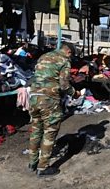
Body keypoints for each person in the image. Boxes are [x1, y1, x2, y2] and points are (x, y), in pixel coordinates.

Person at [28, 42, 75, 177]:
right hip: (49, 100)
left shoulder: (44, 56)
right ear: (69, 52)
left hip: (34, 98)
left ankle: (32, 162)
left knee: (36, 130)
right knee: (50, 131)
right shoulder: (64, 60)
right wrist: (74, 92)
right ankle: (43, 168)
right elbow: (64, 85)